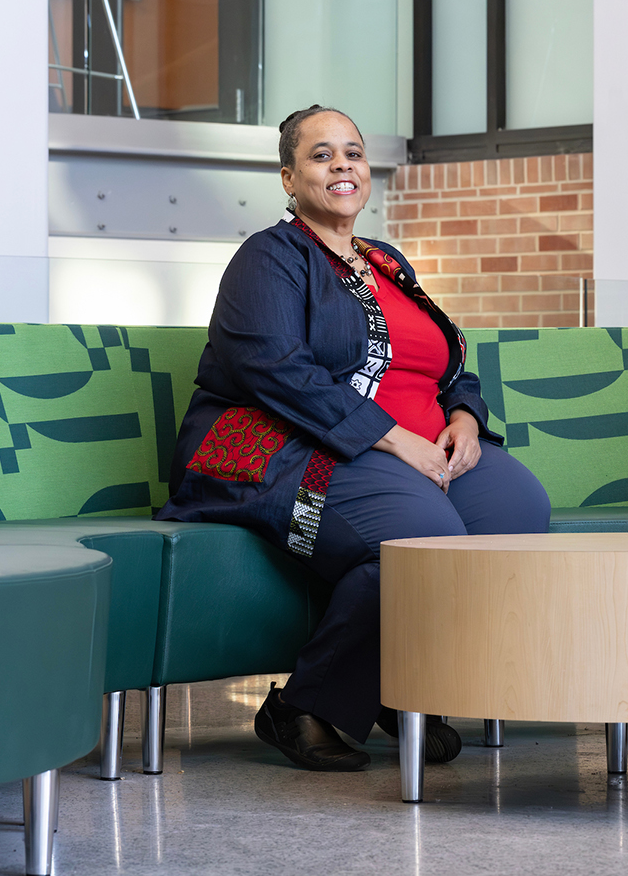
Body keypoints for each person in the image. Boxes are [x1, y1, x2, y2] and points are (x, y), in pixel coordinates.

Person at [158, 105, 551, 772]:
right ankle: (307, 704)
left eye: (354, 152)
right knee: (420, 535)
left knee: (517, 512)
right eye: (321, 155)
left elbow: (446, 362)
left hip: (409, 444)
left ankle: (391, 686)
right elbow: (277, 371)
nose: (342, 165)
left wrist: (462, 417)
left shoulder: (388, 262)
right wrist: (396, 439)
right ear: (289, 176)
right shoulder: (269, 258)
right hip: (276, 451)